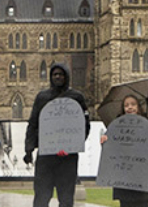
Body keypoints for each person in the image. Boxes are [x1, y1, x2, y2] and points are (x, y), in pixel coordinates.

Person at [24, 63, 90, 207]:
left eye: (61, 74)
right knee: (41, 197)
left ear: (66, 76)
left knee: (66, 199)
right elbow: (33, 123)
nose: (58, 77)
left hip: (67, 157)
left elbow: (84, 126)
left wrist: (72, 145)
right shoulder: (42, 97)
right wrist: (29, 149)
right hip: (46, 156)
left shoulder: (77, 97)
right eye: (55, 74)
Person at [100, 95, 148, 207]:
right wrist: (105, 142)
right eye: (126, 105)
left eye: (133, 104)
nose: (129, 107)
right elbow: (111, 152)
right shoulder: (117, 126)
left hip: (143, 178)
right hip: (124, 177)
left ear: (139, 107)